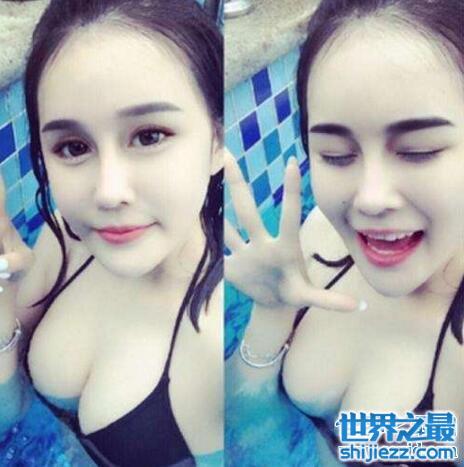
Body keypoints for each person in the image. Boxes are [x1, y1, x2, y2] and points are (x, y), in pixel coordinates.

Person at [225, 0, 464, 465]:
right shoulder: (319, 239)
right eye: (336, 155)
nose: (369, 200)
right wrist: (270, 312)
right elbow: (242, 421)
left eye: (418, 150)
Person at [0, 0, 223, 466]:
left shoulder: (210, 338)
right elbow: (8, 408)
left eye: (149, 136)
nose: (108, 193)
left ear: (217, 141)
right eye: (73, 147)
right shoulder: (70, 241)